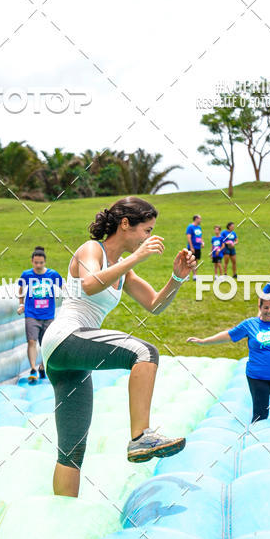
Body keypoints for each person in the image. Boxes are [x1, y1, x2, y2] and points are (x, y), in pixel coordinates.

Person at [40, 196, 196, 497]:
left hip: (72, 359)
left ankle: (61, 516)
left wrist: (177, 278)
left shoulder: (124, 269)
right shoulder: (91, 249)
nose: (148, 238)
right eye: (146, 230)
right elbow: (88, 284)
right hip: (65, 337)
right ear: (125, 224)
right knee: (144, 352)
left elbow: (154, 304)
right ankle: (140, 436)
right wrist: (135, 258)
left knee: (72, 451)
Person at [187, 296, 270, 423]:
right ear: (260, 308)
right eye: (266, 307)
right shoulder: (250, 324)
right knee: (260, 415)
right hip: (258, 377)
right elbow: (229, 335)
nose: (269, 311)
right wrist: (204, 341)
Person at [17, 246, 63, 382]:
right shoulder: (26, 275)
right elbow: (20, 288)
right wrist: (21, 304)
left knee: (46, 344)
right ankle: (33, 369)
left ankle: (42, 367)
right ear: (32, 261)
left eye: (41, 263)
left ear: (45, 262)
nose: (38, 265)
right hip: (31, 313)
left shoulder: (52, 274)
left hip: (48, 314)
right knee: (31, 341)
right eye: (36, 262)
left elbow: (63, 287)